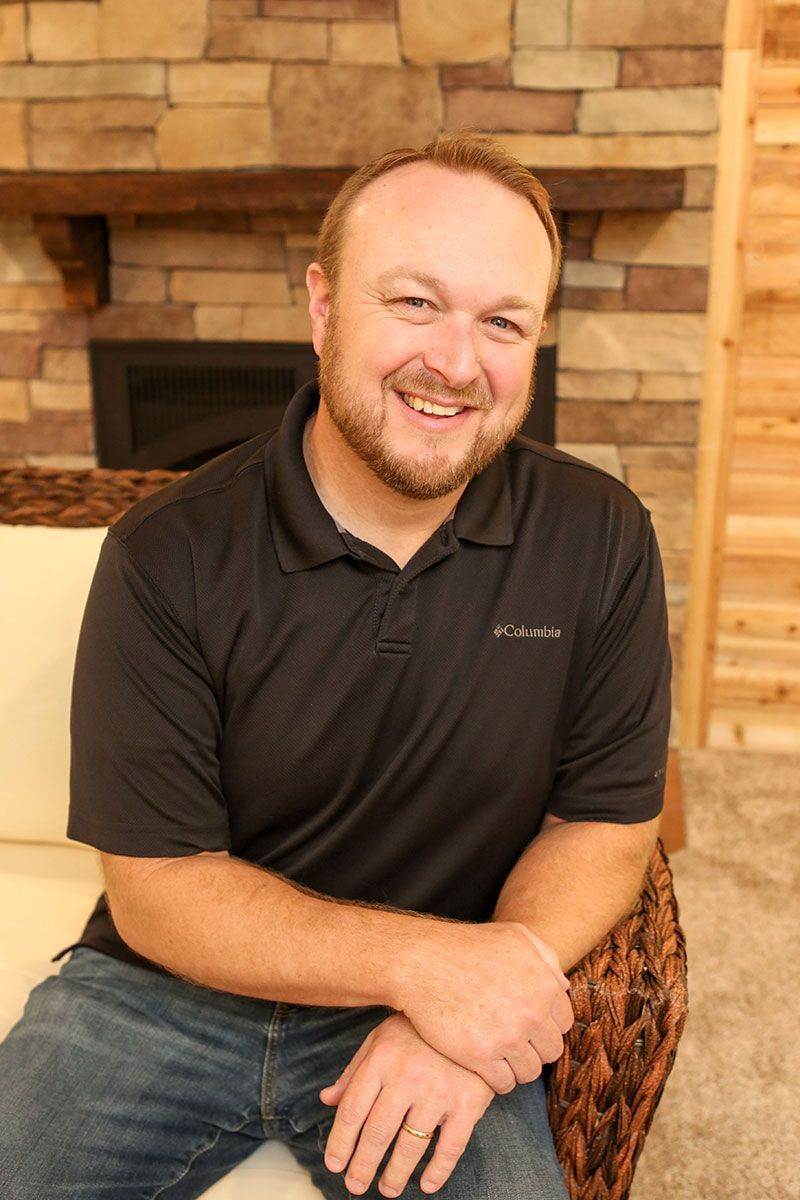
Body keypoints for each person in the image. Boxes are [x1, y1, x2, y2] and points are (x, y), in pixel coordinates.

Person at [0, 133, 671, 1200]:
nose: (455, 362)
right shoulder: (166, 551)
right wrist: (430, 966)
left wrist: (462, 1001)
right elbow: (158, 894)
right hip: (160, 998)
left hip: (430, 1009)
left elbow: (604, 822)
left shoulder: (599, 538)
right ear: (321, 307)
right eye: (412, 303)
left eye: (501, 321)